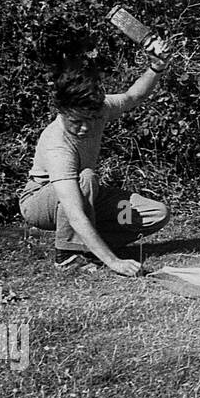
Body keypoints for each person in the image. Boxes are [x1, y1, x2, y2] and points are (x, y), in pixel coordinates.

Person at [18, 43, 172, 276]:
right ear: (62, 112)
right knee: (87, 178)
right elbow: (74, 212)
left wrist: (156, 67)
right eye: (76, 121)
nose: (84, 128)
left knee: (154, 214)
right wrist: (115, 263)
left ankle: (88, 246)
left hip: (86, 194)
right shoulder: (57, 145)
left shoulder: (100, 108)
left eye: (90, 119)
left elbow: (133, 96)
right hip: (41, 203)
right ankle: (67, 255)